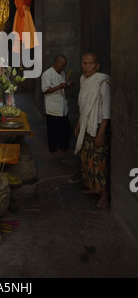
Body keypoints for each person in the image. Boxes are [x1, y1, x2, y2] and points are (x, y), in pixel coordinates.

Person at [74, 53, 111, 208]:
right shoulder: (84, 80)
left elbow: (106, 110)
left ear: (97, 66)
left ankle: (104, 194)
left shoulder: (102, 82)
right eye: (84, 63)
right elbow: (83, 106)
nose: (87, 66)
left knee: (99, 162)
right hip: (86, 126)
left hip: (97, 128)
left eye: (90, 63)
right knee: (87, 160)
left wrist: (101, 133)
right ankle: (94, 188)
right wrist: (78, 123)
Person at [41, 54, 73, 157]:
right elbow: (45, 90)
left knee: (65, 129)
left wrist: (67, 86)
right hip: (53, 108)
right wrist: (59, 86)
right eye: (62, 65)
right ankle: (53, 149)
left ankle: (64, 147)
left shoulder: (62, 73)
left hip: (62, 107)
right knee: (53, 130)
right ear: (56, 63)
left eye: (64, 66)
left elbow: (63, 87)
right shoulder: (47, 74)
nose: (63, 68)